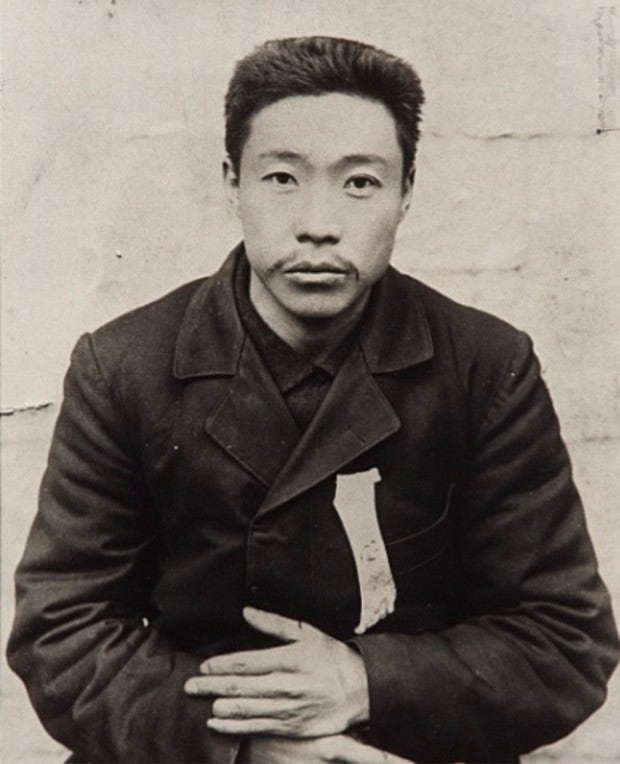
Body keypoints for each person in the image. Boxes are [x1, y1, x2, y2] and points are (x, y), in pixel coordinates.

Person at [7, 36, 619, 764]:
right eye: (282, 178)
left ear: (407, 191)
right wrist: (246, 742)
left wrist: (364, 683)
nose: (318, 224)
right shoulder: (123, 366)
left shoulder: (485, 366)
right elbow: (63, 632)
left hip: (405, 745)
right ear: (232, 184)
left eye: (359, 182)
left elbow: (565, 639)